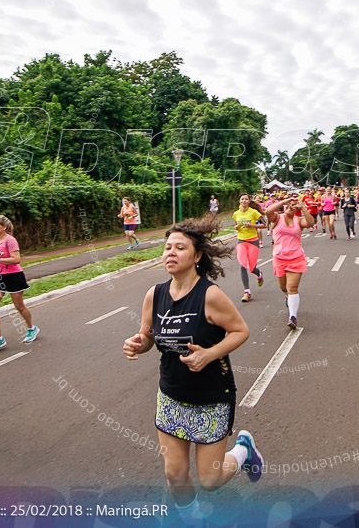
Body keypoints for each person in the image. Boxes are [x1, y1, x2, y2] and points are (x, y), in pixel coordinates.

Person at [122, 216, 263, 524]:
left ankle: (243, 451)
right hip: (171, 394)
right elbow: (148, 336)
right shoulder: (154, 294)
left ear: (197, 256)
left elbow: (240, 331)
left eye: (180, 248)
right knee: (174, 474)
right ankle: (192, 517)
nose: (170, 253)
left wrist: (209, 355)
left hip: (211, 397)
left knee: (210, 481)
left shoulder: (209, 295)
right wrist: (138, 342)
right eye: (167, 247)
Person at [0, 214, 38, 353]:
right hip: (0, 277)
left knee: (19, 306)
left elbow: (16, 259)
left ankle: (32, 328)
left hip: (14, 276)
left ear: (4, 227)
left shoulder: (10, 240)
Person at [264, 196, 314, 329]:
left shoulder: (299, 220)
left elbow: (310, 223)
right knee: (283, 287)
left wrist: (302, 206)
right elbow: (268, 211)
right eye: (288, 205)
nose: (290, 207)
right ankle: (288, 297)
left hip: (296, 257)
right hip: (279, 258)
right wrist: (284, 202)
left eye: (293, 206)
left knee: (292, 288)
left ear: (296, 209)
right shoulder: (277, 218)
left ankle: (293, 317)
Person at [232, 195, 267, 302]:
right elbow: (236, 226)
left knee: (252, 268)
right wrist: (236, 228)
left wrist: (253, 226)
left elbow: (265, 225)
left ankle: (259, 274)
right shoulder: (236, 214)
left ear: (249, 201)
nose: (244, 201)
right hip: (241, 241)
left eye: (246, 199)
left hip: (253, 241)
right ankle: (247, 291)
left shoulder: (253, 212)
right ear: (239, 201)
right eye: (242, 199)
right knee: (242, 266)